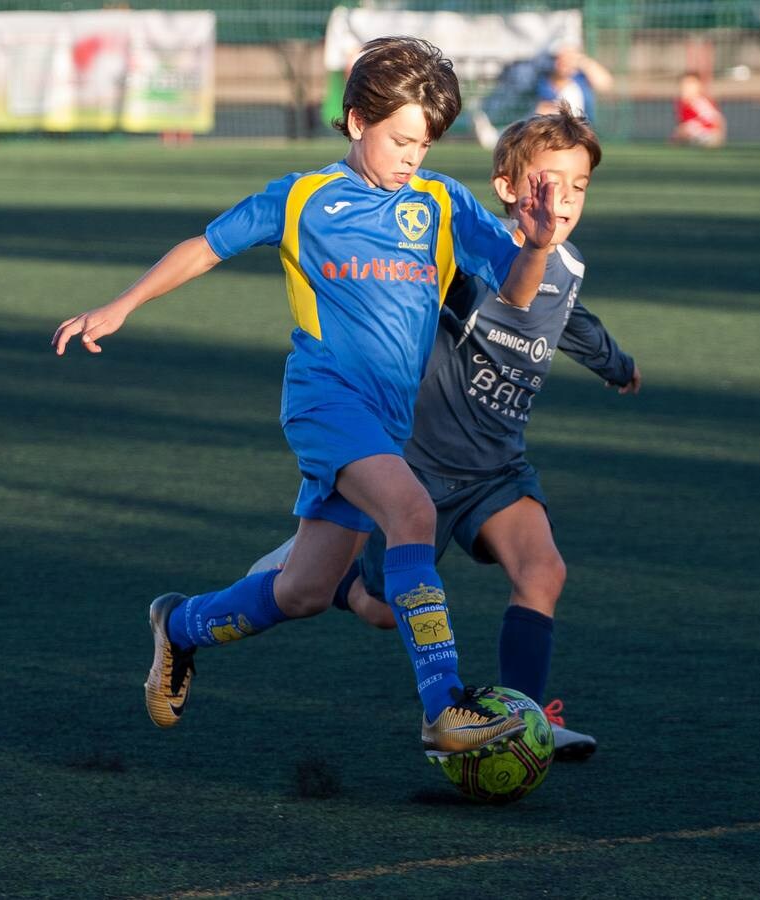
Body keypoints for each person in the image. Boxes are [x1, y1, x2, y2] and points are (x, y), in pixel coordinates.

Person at [51, 37, 560, 758]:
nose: (413, 156)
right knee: (412, 511)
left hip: (387, 421)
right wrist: (122, 304)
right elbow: (206, 244)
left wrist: (535, 246)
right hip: (325, 403)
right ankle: (444, 710)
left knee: (304, 593)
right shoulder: (302, 198)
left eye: (425, 142)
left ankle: (180, 625)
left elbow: (513, 290)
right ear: (357, 122)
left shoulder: (442, 201)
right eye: (400, 139)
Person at [249, 104, 641, 762]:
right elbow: (449, 289)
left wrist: (613, 362)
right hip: (419, 468)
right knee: (380, 608)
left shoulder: (565, 266)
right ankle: (323, 569)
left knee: (542, 570)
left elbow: (565, 316)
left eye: (577, 186)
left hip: (495, 465)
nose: (564, 199)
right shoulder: (465, 260)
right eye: (548, 183)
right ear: (508, 188)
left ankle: (523, 720)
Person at [534, 43, 614, 123]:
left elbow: (605, 83)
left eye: (568, 59)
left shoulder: (580, 79)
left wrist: (583, 61)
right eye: (558, 59)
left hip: (581, 132)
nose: (563, 63)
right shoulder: (541, 82)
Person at [671, 72, 726, 148]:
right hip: (693, 136)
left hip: (706, 135)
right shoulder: (681, 103)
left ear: (699, 87)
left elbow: (717, 119)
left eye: (690, 86)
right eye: (684, 85)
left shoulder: (699, 102)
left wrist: (718, 136)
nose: (686, 89)